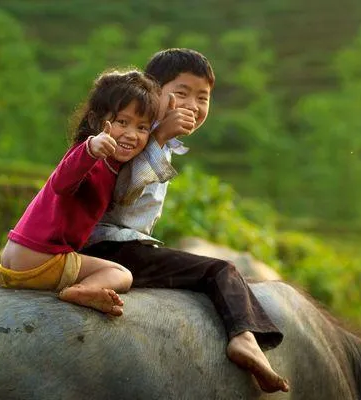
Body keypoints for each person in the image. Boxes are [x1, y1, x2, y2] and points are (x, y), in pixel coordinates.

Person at [80, 49, 289, 393]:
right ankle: (243, 339)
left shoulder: (154, 138)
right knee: (222, 270)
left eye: (202, 97)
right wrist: (158, 138)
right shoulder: (137, 135)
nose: (193, 104)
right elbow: (121, 194)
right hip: (111, 245)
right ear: (152, 93)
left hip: (123, 242)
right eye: (181, 92)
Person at [0, 69, 160, 317]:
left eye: (142, 127)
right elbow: (62, 182)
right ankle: (82, 290)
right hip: (42, 258)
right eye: (121, 122)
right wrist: (90, 148)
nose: (131, 134)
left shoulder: (113, 165)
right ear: (97, 122)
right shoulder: (89, 156)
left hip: (16, 254)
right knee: (121, 275)